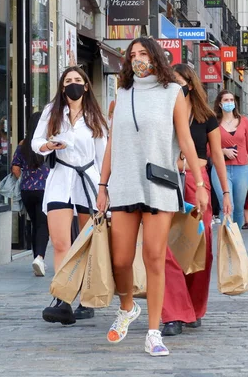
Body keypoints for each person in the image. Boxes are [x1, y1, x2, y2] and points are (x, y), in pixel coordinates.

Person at [96, 37, 208, 357]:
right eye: (133, 55)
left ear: (156, 57)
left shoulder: (173, 93)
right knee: (121, 259)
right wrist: (102, 186)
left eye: (143, 53)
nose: (138, 59)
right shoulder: (122, 93)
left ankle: (154, 331)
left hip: (158, 185)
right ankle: (128, 307)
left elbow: (185, 142)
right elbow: (112, 145)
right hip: (124, 185)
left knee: (154, 259)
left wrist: (199, 183)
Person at [32, 66, 108, 324]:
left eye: (78, 80)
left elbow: (102, 155)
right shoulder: (51, 112)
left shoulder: (95, 116)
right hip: (60, 180)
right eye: (68, 80)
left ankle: (87, 297)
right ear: (62, 87)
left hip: (88, 181)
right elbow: (36, 141)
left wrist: (104, 188)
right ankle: (63, 298)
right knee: (61, 242)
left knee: (88, 242)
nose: (73, 84)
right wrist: (48, 145)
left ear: (86, 85)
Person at [160, 64, 231, 337]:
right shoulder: (163, 114)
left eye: (178, 82)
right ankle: (175, 312)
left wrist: (225, 192)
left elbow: (217, 157)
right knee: (168, 249)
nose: (173, 88)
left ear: (190, 83)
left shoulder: (206, 117)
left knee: (200, 248)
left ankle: (194, 307)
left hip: (195, 182)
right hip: (166, 180)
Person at [211, 90, 248, 226]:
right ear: (220, 104)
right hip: (220, 169)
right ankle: (227, 243)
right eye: (226, 100)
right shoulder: (213, 121)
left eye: (231, 100)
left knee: (239, 208)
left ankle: (236, 241)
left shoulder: (244, 121)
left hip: (242, 169)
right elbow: (207, 147)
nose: (229, 103)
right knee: (227, 206)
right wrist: (222, 151)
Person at [11, 111, 50, 276]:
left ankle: (37, 259)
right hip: (45, 190)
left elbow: (15, 168)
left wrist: (26, 179)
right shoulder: (47, 145)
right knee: (43, 225)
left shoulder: (23, 145)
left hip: (27, 191)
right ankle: (39, 258)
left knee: (35, 224)